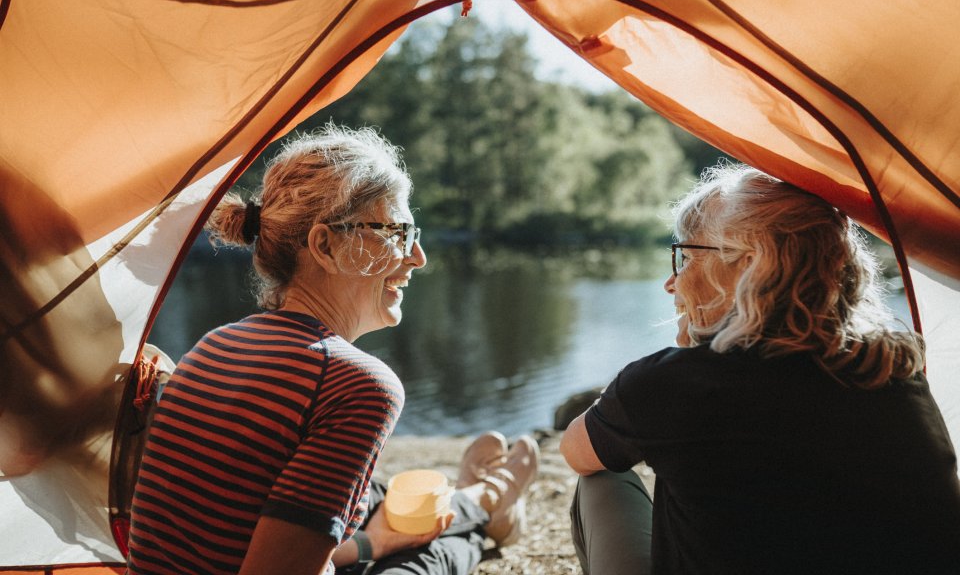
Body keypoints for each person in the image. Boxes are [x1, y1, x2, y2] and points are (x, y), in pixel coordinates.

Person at [125, 125, 539, 575]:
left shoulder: (214, 343)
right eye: (397, 232)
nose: (418, 256)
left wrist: (367, 542)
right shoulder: (357, 384)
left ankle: (480, 498)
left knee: (374, 497)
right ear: (326, 245)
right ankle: (485, 516)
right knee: (428, 557)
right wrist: (373, 546)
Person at [560, 164, 960, 575]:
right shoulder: (894, 372)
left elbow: (575, 451)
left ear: (749, 266)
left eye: (685, 256)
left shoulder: (677, 385)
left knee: (601, 478)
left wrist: (683, 363)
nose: (671, 282)